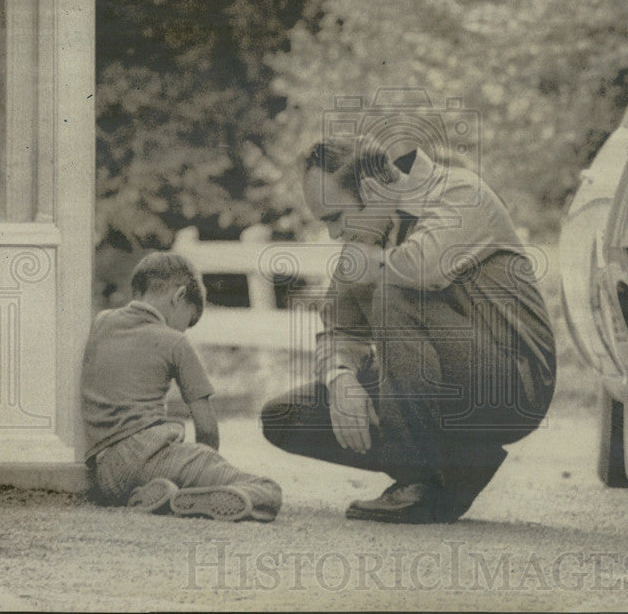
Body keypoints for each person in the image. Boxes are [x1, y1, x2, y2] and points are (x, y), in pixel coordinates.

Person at [261, 139, 556, 524]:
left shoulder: (458, 193)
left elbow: (421, 269)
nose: (334, 235)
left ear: (370, 191)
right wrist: (341, 379)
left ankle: (416, 482)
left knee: (392, 286)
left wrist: (370, 264)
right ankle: (461, 464)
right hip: (439, 387)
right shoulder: (367, 239)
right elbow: (339, 328)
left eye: (335, 218)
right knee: (285, 416)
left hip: (513, 385)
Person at [81, 251, 282, 522]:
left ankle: (155, 497)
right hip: (149, 456)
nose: (183, 331)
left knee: (167, 476)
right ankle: (200, 493)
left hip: (105, 475)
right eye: (186, 323)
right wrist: (205, 463)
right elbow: (207, 426)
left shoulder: (102, 322)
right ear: (178, 296)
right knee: (267, 491)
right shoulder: (174, 342)